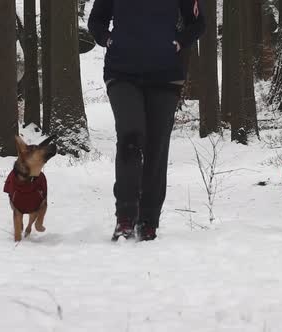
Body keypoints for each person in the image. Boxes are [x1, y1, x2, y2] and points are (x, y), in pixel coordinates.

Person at [88, 0, 205, 241]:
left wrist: (180, 42)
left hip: (165, 76)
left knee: (157, 145)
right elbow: (96, 20)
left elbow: (198, 24)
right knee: (131, 134)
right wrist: (107, 39)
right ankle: (125, 218)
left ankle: (148, 221)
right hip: (122, 73)